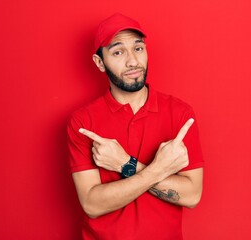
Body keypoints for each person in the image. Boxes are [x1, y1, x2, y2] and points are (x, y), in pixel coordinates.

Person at [67, 13, 204, 240]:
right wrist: (159, 168)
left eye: (138, 48)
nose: (133, 61)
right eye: (118, 52)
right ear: (100, 62)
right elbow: (92, 204)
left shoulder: (180, 114)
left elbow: (191, 196)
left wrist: (124, 163)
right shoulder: (83, 122)